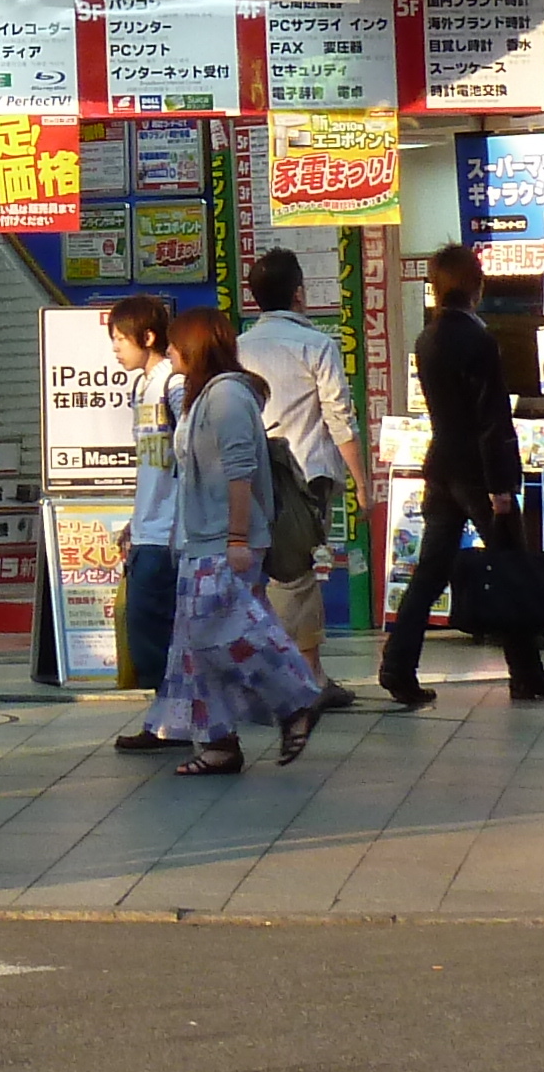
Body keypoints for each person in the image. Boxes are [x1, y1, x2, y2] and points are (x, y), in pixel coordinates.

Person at [381, 245, 544, 707]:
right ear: (475, 285)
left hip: (441, 466)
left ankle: (397, 668)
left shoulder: (428, 338)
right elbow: (492, 419)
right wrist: (502, 486)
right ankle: (527, 674)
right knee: (511, 566)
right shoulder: (478, 339)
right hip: (479, 475)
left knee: (429, 572)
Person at [143, 308, 326, 775]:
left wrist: (239, 538)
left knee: (227, 632)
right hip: (204, 538)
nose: (169, 352)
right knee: (196, 644)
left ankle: (296, 699)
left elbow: (239, 470)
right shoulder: (206, 394)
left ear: (194, 347)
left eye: (175, 343)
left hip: (224, 540)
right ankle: (220, 741)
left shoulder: (225, 396)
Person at [237, 251, 365, 705]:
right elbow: (340, 420)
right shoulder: (318, 346)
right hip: (306, 478)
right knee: (298, 575)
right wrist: (362, 485)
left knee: (262, 573)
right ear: (299, 294)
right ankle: (309, 676)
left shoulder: (238, 347)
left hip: (250, 479)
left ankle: (277, 671)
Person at [99, 296, 186, 746]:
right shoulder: (145, 386)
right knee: (151, 628)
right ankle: (167, 718)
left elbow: (187, 453)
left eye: (119, 338)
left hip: (170, 532)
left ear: (147, 337)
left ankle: (175, 721)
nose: (114, 348)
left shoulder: (172, 384)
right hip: (151, 527)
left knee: (153, 626)